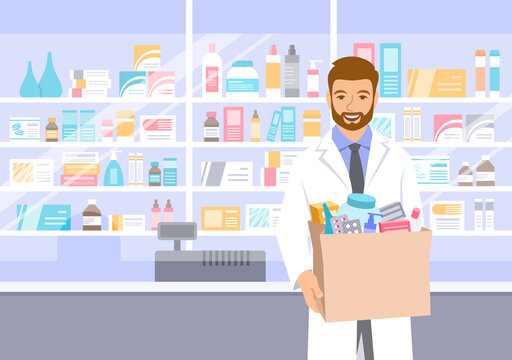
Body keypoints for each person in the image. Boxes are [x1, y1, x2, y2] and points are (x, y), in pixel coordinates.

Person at [277, 56, 422, 360]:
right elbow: (288, 225)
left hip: (387, 290)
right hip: (330, 292)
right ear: (328, 98)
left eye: (362, 96)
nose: (351, 106)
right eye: (341, 96)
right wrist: (304, 275)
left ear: (376, 98)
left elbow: (415, 223)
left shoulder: (399, 159)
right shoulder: (306, 163)